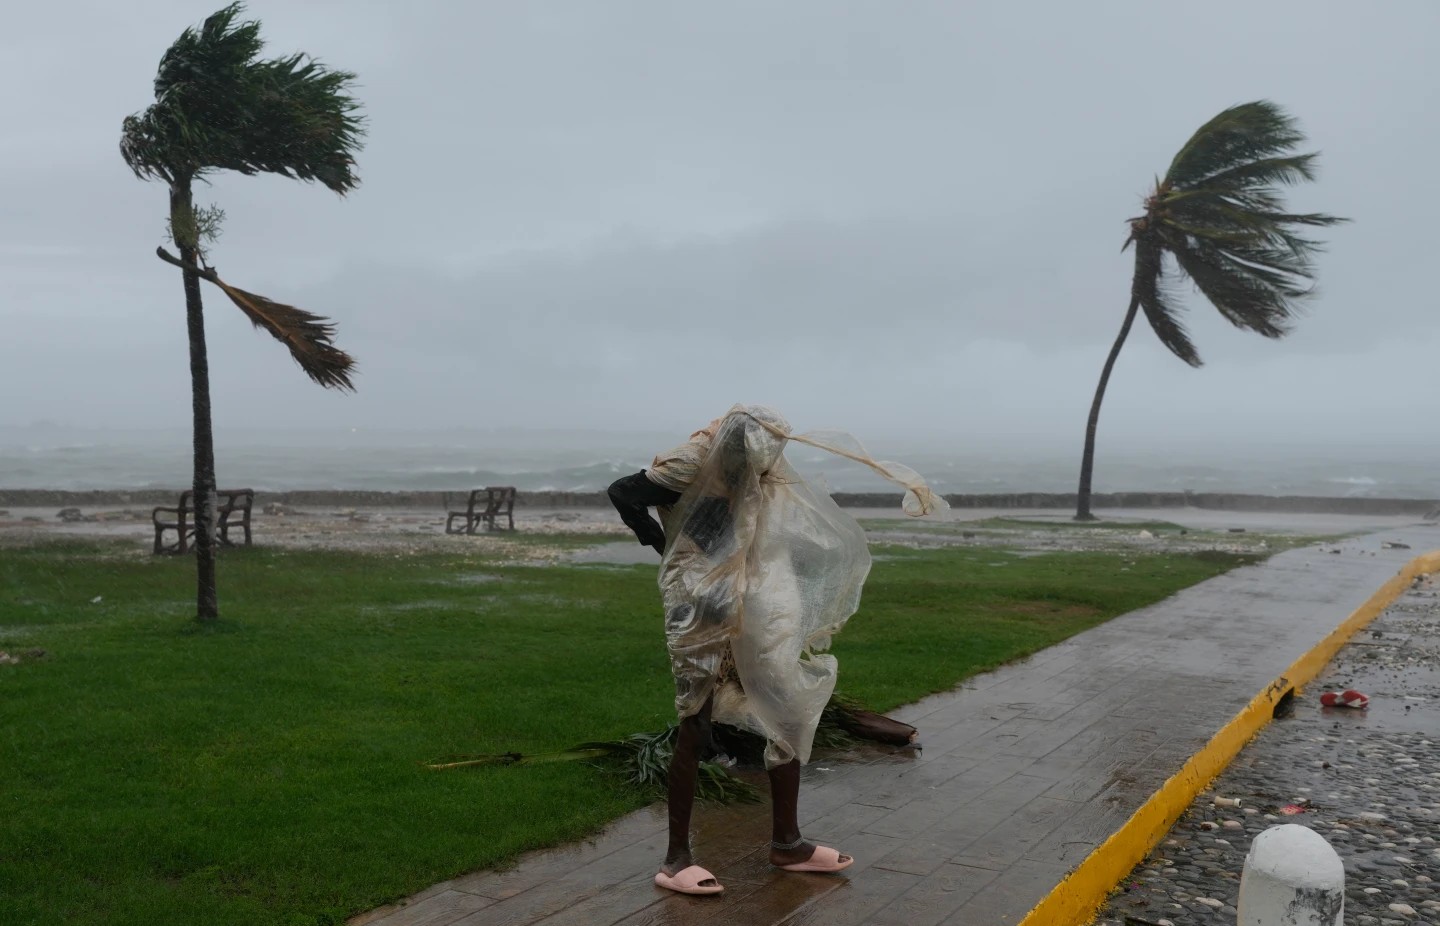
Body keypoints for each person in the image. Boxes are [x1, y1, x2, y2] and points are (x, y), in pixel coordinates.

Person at [608, 405, 945, 896]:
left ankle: (788, 843)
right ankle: (675, 858)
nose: (767, 464)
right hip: (699, 599)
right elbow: (624, 492)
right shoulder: (689, 463)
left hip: (755, 590)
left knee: (785, 710)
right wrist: (667, 546)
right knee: (696, 720)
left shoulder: (769, 462)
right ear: (734, 447)